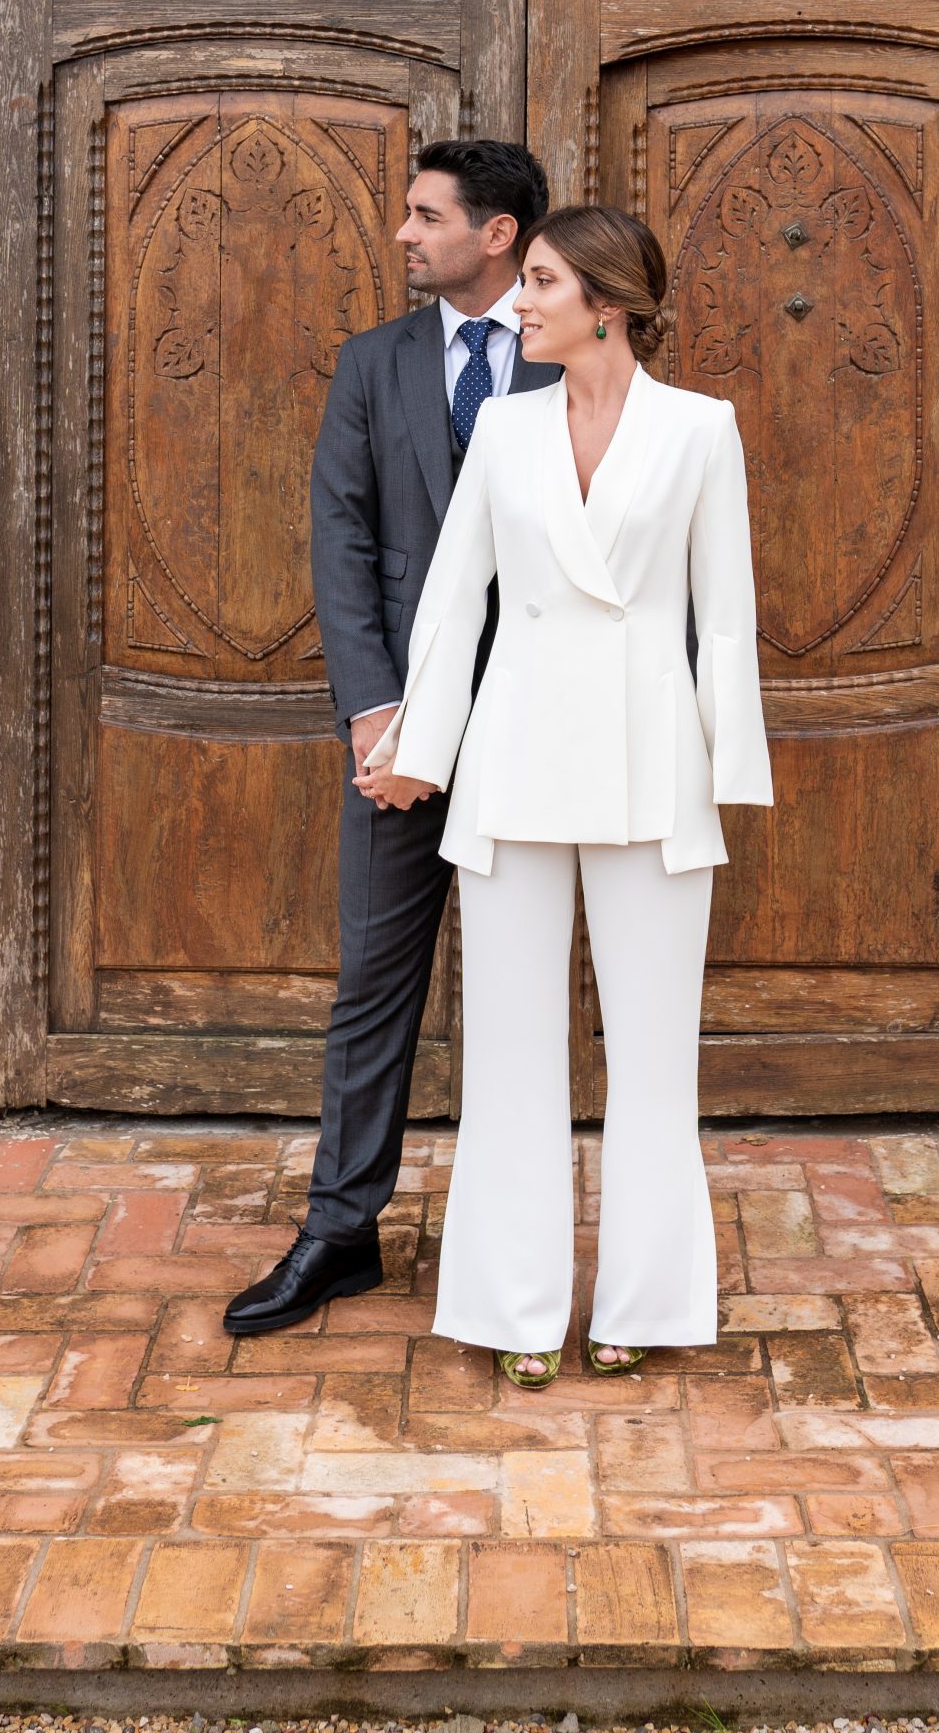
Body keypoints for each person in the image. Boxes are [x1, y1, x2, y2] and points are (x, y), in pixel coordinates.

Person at [358, 204, 772, 1388]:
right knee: (509, 1053)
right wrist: (421, 746)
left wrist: (727, 768)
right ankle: (517, 1306)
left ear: (609, 304)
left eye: (540, 282)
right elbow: (455, 603)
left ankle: (644, 1298)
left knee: (655, 1057)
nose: (519, 301)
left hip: (652, 768)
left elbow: (724, 616)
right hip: (516, 760)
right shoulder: (504, 427)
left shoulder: (700, 429)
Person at [223, 139, 556, 1340]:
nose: (406, 234)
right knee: (372, 982)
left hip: (544, 720)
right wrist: (375, 709)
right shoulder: (376, 361)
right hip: (405, 730)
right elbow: (343, 537)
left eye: (426, 215)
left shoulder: (573, 347)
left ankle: (521, 1237)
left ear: (496, 233)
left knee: (530, 987)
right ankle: (339, 1230)